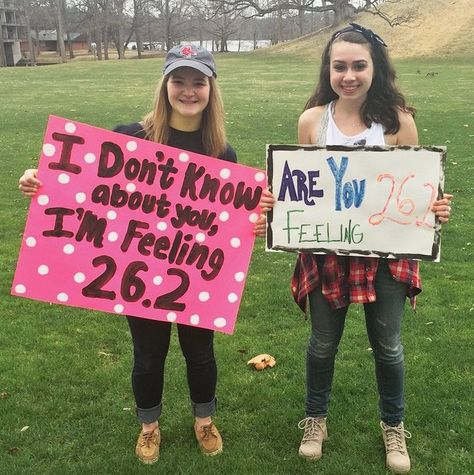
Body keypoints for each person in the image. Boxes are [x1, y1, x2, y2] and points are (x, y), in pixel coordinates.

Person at [18, 44, 237, 464]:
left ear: (211, 89)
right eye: (179, 80)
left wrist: (255, 221)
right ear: (165, 85)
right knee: (149, 354)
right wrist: (38, 177)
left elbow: (226, 222)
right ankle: (149, 427)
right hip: (138, 270)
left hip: (194, 273)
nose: (188, 91)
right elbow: (81, 176)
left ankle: (204, 420)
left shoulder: (221, 153)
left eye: (198, 82)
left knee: (200, 353)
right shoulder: (130, 137)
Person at [254, 23, 452, 474]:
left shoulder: (397, 120)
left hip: (387, 254)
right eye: (339, 66)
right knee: (322, 344)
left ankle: (393, 426)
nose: (349, 75)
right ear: (328, 70)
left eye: (359, 66)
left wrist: (434, 209)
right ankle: (316, 419)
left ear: (375, 69)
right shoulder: (312, 121)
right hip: (326, 255)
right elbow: (297, 188)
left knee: (389, 346)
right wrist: (274, 201)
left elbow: (416, 187)